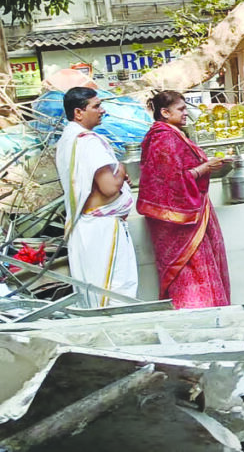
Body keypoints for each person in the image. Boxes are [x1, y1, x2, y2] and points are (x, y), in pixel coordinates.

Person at [136, 91, 230, 309]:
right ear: (165, 112)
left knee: (200, 266)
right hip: (180, 220)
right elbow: (171, 182)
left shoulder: (173, 134)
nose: (186, 113)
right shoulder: (164, 138)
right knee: (191, 269)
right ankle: (197, 313)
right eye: (181, 109)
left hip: (194, 210)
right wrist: (205, 168)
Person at [55, 87, 138, 307]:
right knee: (114, 294)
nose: (102, 110)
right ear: (78, 113)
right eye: (96, 106)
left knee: (95, 292)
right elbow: (109, 188)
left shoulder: (68, 139)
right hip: (102, 230)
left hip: (87, 227)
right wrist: (121, 169)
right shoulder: (87, 141)